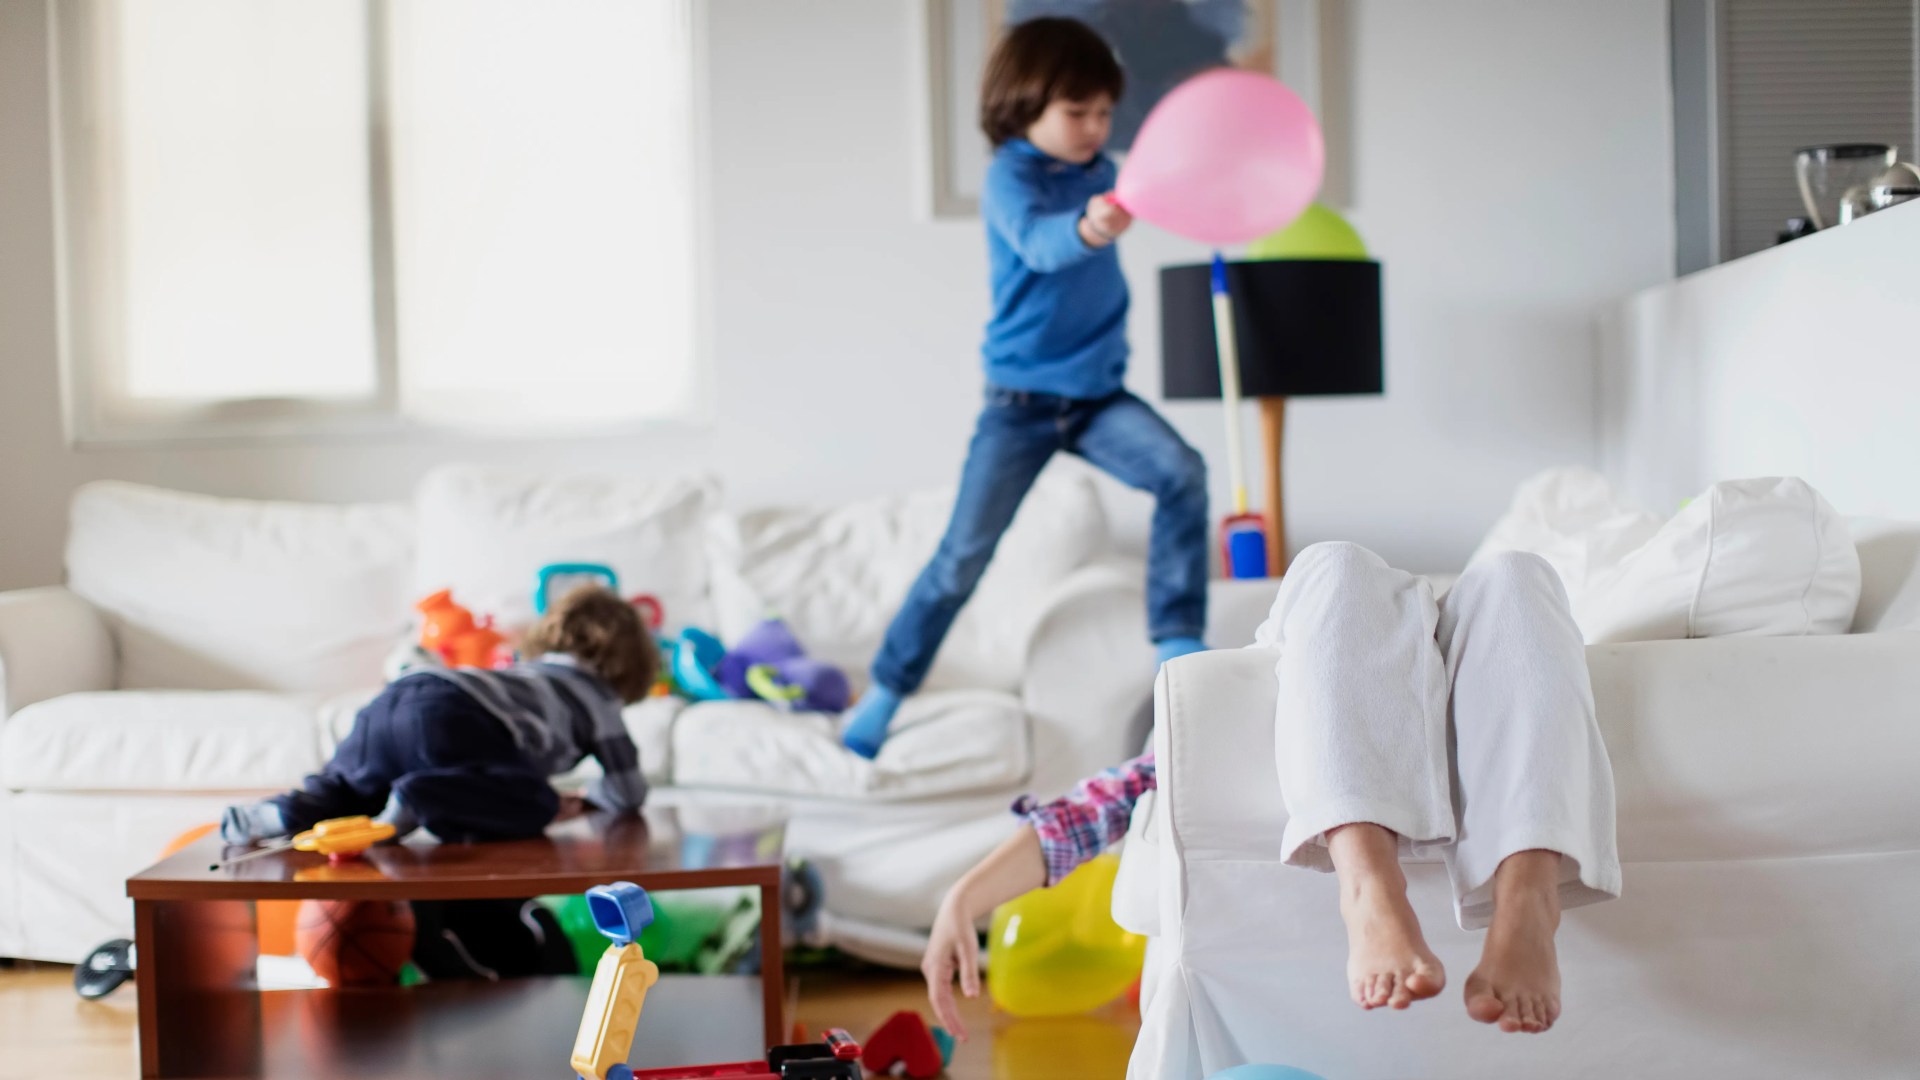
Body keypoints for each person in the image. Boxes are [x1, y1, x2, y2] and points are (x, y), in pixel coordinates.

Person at [921, 542, 1622, 1037]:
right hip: (1353, 713)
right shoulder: (1216, 726)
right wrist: (962, 898)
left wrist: (961, 898)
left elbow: (1091, 810)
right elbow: (1091, 810)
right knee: (1338, 565)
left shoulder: (1221, 709)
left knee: (1518, 574)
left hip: (1477, 688)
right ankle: (1369, 886)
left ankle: (1527, 900)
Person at [841, 16, 1210, 759]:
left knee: (1182, 473)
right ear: (1025, 105)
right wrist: (1091, 227)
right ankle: (884, 692)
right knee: (962, 555)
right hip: (1021, 406)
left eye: (1104, 112)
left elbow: (1159, 190)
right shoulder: (1011, 176)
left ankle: (1175, 641)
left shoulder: (1102, 170)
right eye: (1078, 112)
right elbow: (1042, 247)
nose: (1096, 128)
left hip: (1098, 398)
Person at [220, 585, 655, 845]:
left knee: (349, 791)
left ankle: (273, 816)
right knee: (535, 800)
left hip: (395, 699)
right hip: (452, 716)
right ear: (632, 661)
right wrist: (585, 799)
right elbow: (629, 790)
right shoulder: (599, 699)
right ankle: (420, 798)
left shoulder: (527, 675)